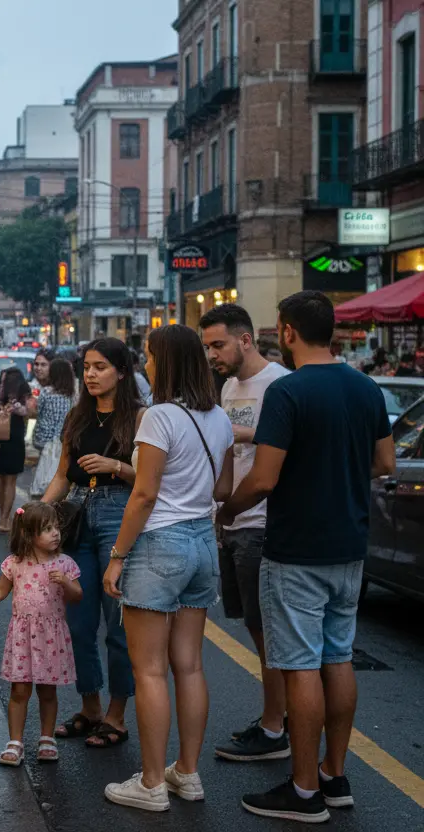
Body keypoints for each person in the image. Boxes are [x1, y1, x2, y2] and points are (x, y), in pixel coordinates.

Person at [219, 291, 394, 823]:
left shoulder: (289, 392)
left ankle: (301, 791)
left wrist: (228, 508)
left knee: (299, 667)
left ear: (287, 331)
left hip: (296, 549)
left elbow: (265, 478)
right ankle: (332, 776)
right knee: (337, 658)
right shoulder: (366, 387)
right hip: (348, 546)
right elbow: (384, 462)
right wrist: (335, 477)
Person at [100, 325, 235, 813]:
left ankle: (152, 783)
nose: (146, 365)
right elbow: (223, 488)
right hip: (202, 541)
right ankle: (187, 774)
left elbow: (145, 493)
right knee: (190, 665)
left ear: (167, 362)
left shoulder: (158, 416)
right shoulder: (218, 416)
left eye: (151, 357)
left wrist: (116, 556)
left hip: (159, 542)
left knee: (150, 670)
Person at [40, 338, 144, 750]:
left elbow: (152, 479)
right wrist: (36, 512)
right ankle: (91, 707)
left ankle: (117, 715)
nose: (91, 374)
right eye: (86, 366)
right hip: (78, 515)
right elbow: (63, 475)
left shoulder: (139, 417)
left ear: (122, 371)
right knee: (79, 624)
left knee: (118, 622)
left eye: (100, 366)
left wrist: (116, 466)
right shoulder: (78, 417)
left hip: (120, 511)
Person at [200, 304, 292, 762]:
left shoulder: (278, 383)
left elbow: (282, 447)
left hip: (261, 521)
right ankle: (277, 718)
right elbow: (229, 455)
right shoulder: (230, 386)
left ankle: (276, 728)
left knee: (267, 631)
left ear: (246, 339)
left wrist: (237, 432)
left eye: (218, 345)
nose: (212, 355)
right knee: (255, 629)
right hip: (232, 520)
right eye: (207, 347)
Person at [0, 502, 82, 766]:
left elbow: (77, 596)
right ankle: (15, 741)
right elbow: (0, 590)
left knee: (47, 691)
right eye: (47, 529)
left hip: (50, 638)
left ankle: (46, 738)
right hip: (22, 636)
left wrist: (65, 582)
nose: (56, 533)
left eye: (56, 527)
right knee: (19, 691)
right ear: (29, 535)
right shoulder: (14, 564)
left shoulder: (64, 564)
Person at [0, 368, 31, 533]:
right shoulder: (22, 395)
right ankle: (5, 519)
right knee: (10, 481)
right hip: (15, 440)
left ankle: (3, 517)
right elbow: (28, 412)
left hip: (0, 440)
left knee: (2, 480)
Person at [29, 358, 77, 498]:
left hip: (44, 438)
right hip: (64, 437)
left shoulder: (46, 392)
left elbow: (38, 411)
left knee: (44, 467)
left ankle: (45, 493)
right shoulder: (72, 394)